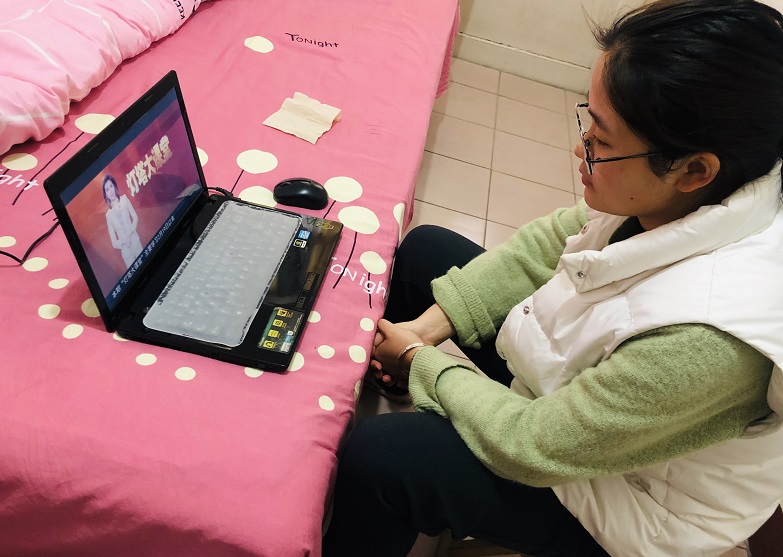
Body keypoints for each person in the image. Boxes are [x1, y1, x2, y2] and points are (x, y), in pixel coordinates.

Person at [321, 1, 783, 556]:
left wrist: (423, 363)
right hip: (588, 402)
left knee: (387, 458)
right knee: (426, 252)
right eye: (589, 121)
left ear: (693, 170)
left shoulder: (707, 342)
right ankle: (381, 379)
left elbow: (532, 444)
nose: (580, 148)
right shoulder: (704, 193)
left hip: (628, 504)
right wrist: (421, 332)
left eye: (601, 141)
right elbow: (550, 244)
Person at [103, 174, 143, 268]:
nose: (110, 191)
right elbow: (114, 243)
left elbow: (135, 217)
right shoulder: (108, 215)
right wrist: (122, 242)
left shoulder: (124, 199)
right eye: (107, 189)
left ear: (114, 186)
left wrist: (131, 231)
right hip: (126, 253)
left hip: (136, 243)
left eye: (111, 186)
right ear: (105, 194)